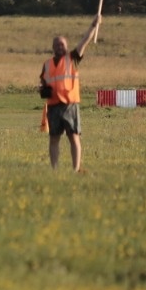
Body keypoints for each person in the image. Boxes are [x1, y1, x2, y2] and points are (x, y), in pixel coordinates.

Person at [39, 14, 100, 172]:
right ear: (53, 47)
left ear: (66, 46)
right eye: (57, 45)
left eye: (62, 44)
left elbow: (84, 42)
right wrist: (42, 89)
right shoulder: (46, 64)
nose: (60, 47)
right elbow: (43, 82)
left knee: (74, 137)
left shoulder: (72, 58)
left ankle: (76, 169)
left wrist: (93, 26)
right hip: (53, 106)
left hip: (70, 105)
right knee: (54, 139)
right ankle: (55, 170)